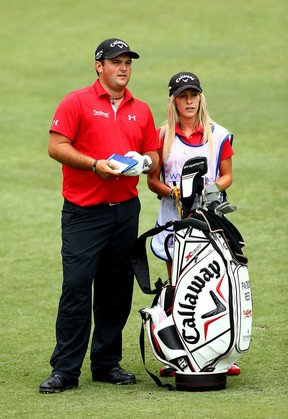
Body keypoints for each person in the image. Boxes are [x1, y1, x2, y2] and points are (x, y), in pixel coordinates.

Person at [39, 38, 159, 394]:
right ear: (99, 66)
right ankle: (65, 370)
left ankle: (106, 363)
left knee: (116, 289)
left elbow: (152, 149)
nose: (123, 68)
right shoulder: (76, 102)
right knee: (76, 288)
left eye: (127, 62)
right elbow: (56, 146)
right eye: (115, 61)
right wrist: (95, 165)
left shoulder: (142, 108)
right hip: (84, 213)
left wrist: (145, 162)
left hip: (125, 211)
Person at [147, 71, 240, 377]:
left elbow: (227, 175)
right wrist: (172, 191)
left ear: (201, 97)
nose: (189, 101)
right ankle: (178, 355)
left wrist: (212, 188)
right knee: (178, 287)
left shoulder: (218, 133)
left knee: (214, 285)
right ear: (173, 101)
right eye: (182, 96)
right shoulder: (161, 138)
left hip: (208, 220)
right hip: (174, 220)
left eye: (193, 95)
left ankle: (220, 351)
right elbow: (152, 181)